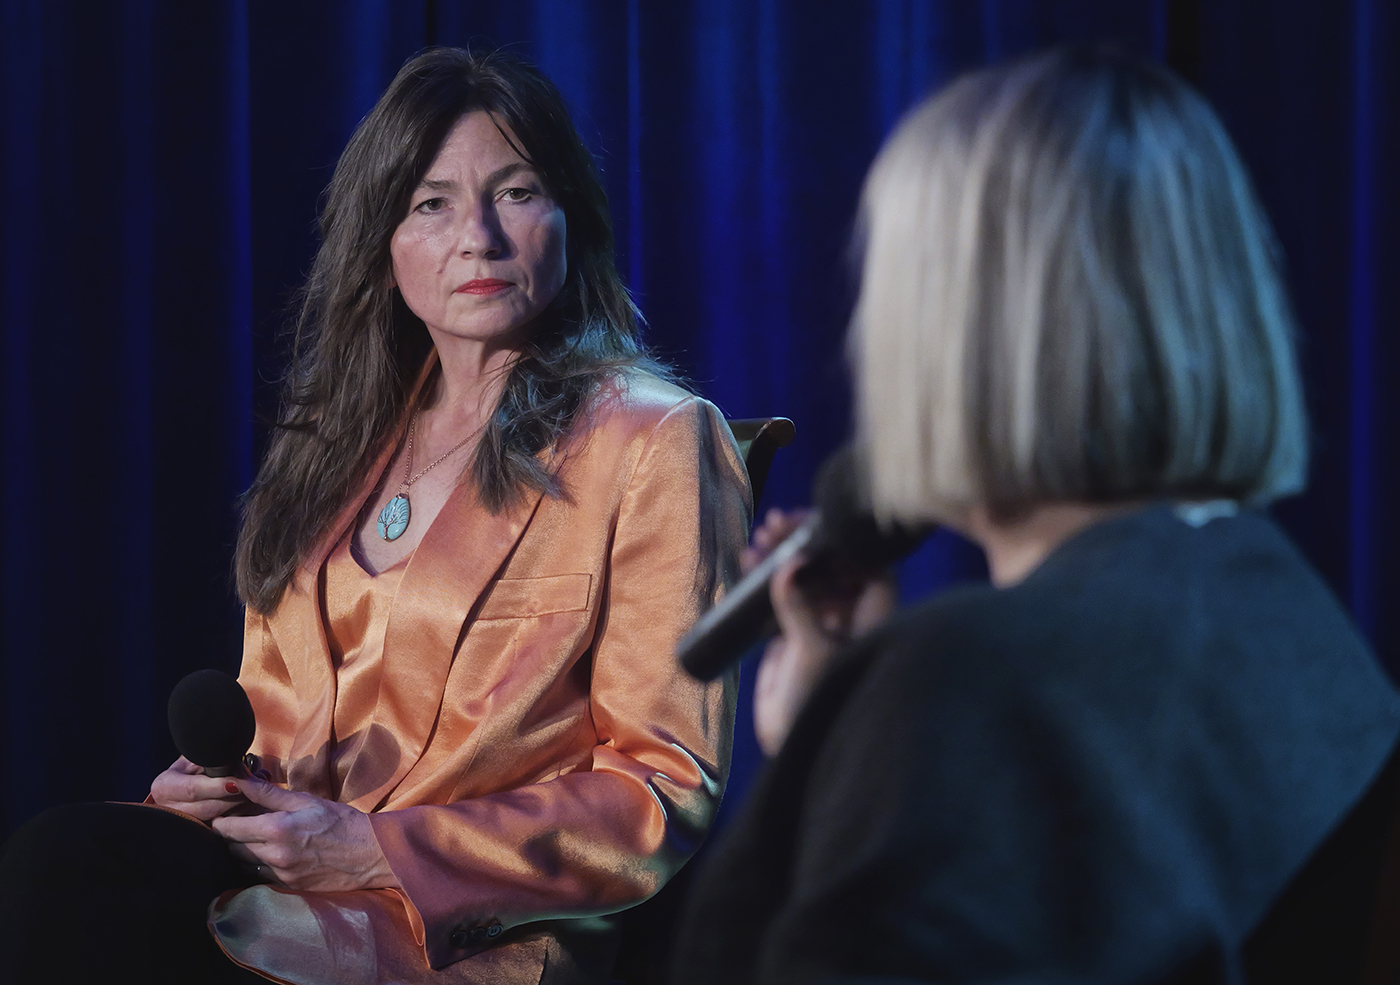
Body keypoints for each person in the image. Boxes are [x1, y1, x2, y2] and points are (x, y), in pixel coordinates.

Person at [0, 48, 749, 985]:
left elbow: (659, 790)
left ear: (571, 219)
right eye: (431, 203)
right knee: (67, 859)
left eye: (516, 192)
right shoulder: (340, 440)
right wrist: (223, 790)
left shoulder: (654, 438)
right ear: (384, 241)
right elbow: (275, 727)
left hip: (448, 934)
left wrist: (380, 849)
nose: (478, 237)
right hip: (278, 893)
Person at [670, 46, 1400, 984]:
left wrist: (845, 740)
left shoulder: (961, 685)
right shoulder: (1289, 612)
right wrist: (851, 733)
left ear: (958, 340)